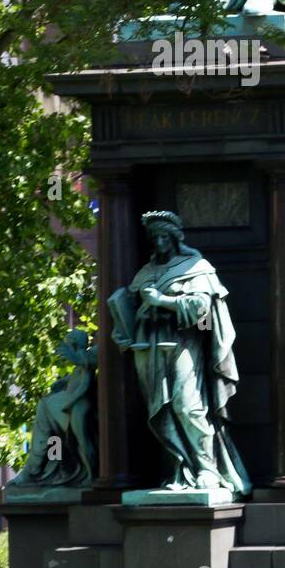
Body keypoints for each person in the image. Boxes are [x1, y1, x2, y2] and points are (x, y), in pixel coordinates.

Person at [109, 211, 251, 496]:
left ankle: (208, 469)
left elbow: (202, 308)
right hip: (148, 346)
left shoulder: (195, 267)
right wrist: (122, 331)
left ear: (175, 238)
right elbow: (130, 307)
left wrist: (164, 301)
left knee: (188, 405)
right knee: (159, 411)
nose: (159, 243)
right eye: (155, 238)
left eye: (164, 237)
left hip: (185, 343)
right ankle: (182, 468)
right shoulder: (145, 273)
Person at [9, 328, 97, 488]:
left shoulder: (87, 358)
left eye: (70, 345)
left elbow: (84, 382)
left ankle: (37, 468)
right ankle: (51, 467)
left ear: (75, 345)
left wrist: (70, 402)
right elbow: (78, 376)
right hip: (70, 405)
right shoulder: (85, 360)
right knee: (54, 434)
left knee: (78, 440)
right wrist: (63, 383)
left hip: (76, 406)